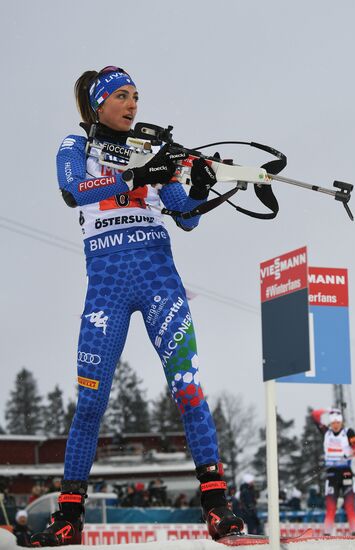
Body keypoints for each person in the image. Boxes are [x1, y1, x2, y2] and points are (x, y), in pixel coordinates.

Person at [31, 66, 243, 546]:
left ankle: (217, 505)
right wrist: (134, 175)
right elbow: (72, 192)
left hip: (157, 276)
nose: (132, 105)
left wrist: (199, 188)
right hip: (106, 282)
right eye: (122, 96)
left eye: (137, 97)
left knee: (188, 389)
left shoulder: (153, 149)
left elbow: (185, 219)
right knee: (89, 402)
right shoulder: (76, 146)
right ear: (98, 102)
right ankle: (69, 516)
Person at [311, 408, 355, 536]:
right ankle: (327, 533)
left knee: (349, 506)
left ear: (341, 422)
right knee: (330, 507)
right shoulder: (325, 432)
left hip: (346, 472)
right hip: (331, 473)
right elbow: (315, 415)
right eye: (333, 422)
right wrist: (328, 410)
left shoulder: (348, 432)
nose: (335, 425)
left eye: (337, 422)